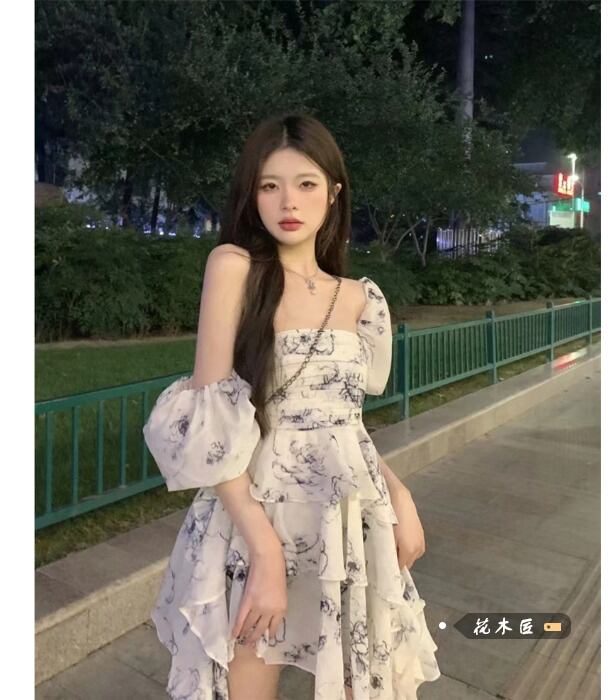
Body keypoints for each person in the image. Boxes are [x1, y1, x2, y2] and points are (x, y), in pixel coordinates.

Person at [143, 113, 441, 700]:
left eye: (306, 184)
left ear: (334, 193)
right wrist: (266, 553)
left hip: (343, 520)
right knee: (247, 677)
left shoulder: (360, 299)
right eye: (269, 185)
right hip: (252, 516)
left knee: (361, 680)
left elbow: (342, 425)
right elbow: (210, 426)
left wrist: (399, 494)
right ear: (251, 194)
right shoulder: (235, 269)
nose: (288, 202)